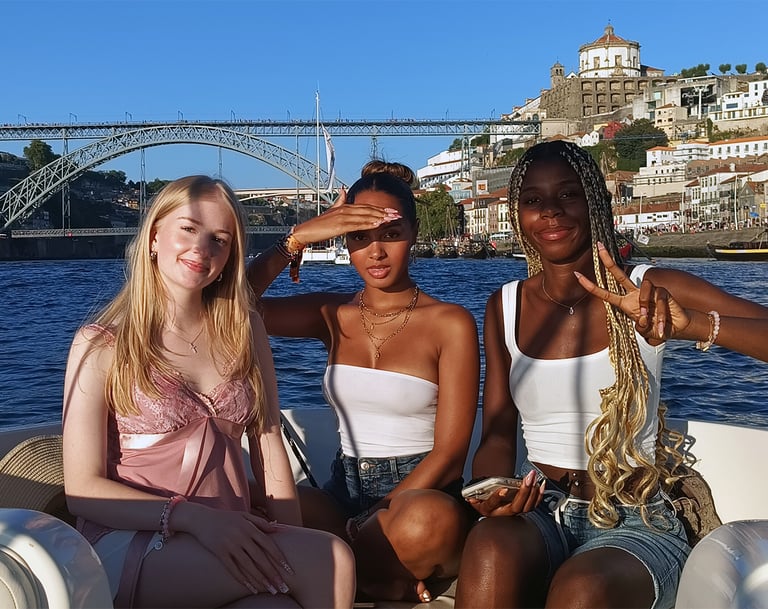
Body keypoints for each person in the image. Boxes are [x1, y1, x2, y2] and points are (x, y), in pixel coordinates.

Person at [453, 140, 768, 609]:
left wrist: (692, 326)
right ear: (519, 216)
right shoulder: (504, 306)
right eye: (534, 201)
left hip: (634, 515)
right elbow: (498, 430)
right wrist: (492, 490)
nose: (552, 212)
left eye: (568, 195)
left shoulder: (649, 286)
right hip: (541, 504)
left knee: (582, 590)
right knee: (488, 549)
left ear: (595, 202)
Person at [62, 175, 355, 609]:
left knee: (277, 605)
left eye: (220, 239)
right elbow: (81, 487)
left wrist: (289, 534)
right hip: (132, 542)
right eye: (188, 228)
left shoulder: (245, 328)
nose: (203, 248)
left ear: (230, 256)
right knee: (330, 557)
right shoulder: (103, 343)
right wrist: (193, 519)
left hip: (226, 534)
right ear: (154, 235)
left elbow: (269, 440)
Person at [247, 161, 480, 603]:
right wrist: (295, 239)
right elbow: (225, 306)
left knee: (427, 522)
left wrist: (375, 516)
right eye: (358, 237)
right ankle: (382, 576)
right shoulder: (331, 315)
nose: (375, 252)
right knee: (251, 505)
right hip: (343, 489)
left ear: (413, 232)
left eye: (390, 234)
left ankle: (346, 567)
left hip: (418, 495)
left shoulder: (450, 323)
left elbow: (451, 455)